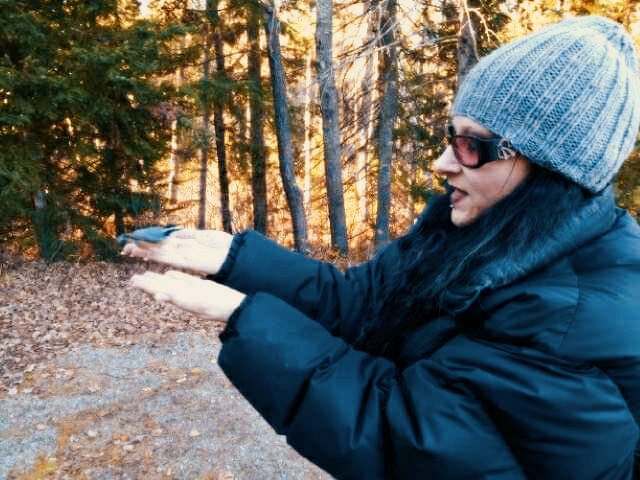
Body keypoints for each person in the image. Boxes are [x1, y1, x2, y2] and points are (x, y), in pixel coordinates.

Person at [124, 16, 640, 479]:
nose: (442, 162)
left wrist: (245, 316)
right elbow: (363, 302)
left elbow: (406, 438)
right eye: (449, 134)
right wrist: (237, 260)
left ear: (550, 169)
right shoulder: (471, 234)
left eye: (469, 144)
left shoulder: (568, 321)